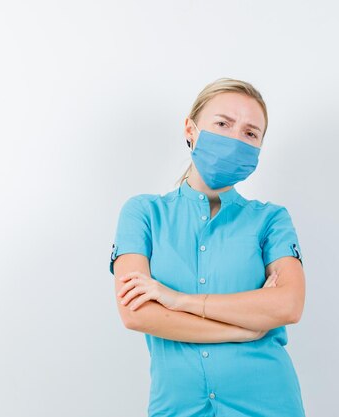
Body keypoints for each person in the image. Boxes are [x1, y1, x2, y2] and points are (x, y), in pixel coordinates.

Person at [109, 77, 306, 417]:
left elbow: (288, 304)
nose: (234, 138)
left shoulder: (270, 220)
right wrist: (247, 329)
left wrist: (178, 300)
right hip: (178, 408)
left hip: (269, 404)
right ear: (190, 129)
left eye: (250, 133)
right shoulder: (143, 213)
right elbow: (136, 312)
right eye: (222, 124)